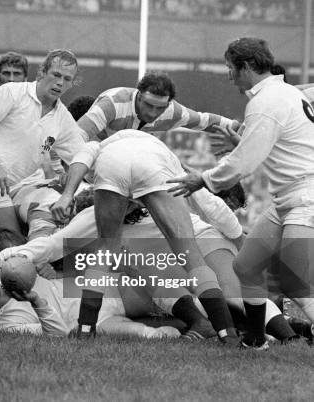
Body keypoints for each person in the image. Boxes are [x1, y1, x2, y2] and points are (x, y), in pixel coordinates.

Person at [167, 37, 314, 349]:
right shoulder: (283, 93)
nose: (228, 75)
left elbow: (243, 164)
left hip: (306, 196)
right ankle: (257, 339)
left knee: (295, 273)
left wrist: (202, 180)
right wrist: (240, 146)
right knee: (245, 266)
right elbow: (270, 151)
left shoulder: (265, 101)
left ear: (246, 67)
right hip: (287, 199)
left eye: (230, 68)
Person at [51, 129, 238, 343]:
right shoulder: (164, 154)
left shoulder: (101, 147)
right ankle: (227, 333)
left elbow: (82, 156)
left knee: (105, 250)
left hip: (112, 164)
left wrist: (67, 195)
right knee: (190, 254)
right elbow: (210, 203)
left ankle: (85, 329)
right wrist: (238, 237)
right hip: (153, 166)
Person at [0, 49, 86, 268]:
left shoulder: (63, 119)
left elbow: (83, 156)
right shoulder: (12, 93)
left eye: (67, 79)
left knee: (11, 252)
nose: (60, 82)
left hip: (2, 188)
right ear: (41, 72)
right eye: (56, 75)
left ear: (71, 84)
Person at [0, 261, 182, 339]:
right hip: (93, 321)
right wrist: (37, 301)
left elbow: (42, 248)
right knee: (151, 334)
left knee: (172, 294)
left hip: (98, 289)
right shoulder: (6, 326)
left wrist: (42, 264)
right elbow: (57, 334)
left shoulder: (6, 272)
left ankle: (207, 308)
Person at [76, 72, 241, 142]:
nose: (153, 113)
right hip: (94, 159)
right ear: (139, 95)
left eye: (160, 108)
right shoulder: (112, 104)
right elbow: (75, 138)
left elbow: (207, 121)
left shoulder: (173, 111)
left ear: (168, 103)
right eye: (148, 105)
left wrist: (241, 130)